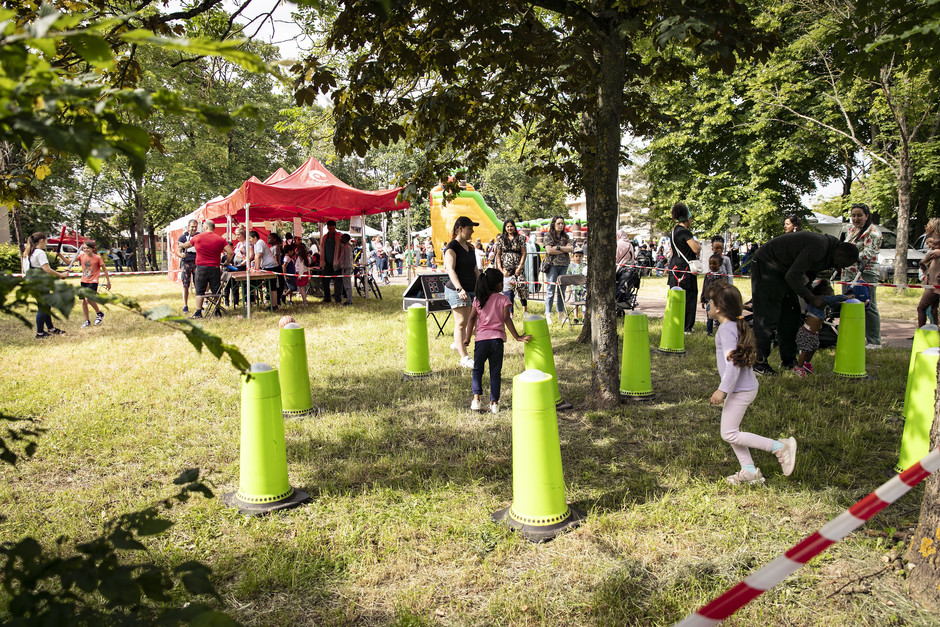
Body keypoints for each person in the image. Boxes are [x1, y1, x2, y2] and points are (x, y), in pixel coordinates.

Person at [708, 283, 797, 485]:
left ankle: (778, 447)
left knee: (729, 433)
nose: (708, 306)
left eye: (710, 303)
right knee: (733, 432)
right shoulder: (732, 326)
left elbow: (733, 364)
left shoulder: (726, 329)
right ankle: (749, 471)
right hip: (742, 388)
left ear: (719, 308)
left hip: (740, 390)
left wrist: (722, 390)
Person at [750, 231, 859, 375]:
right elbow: (793, 276)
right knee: (767, 316)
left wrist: (812, 295)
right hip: (768, 265)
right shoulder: (819, 248)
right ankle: (759, 363)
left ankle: (789, 360)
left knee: (791, 315)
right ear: (839, 255)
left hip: (784, 271)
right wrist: (813, 299)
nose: (839, 268)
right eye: (842, 264)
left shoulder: (830, 249)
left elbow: (805, 274)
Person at [464, 268, 532, 413]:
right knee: (495, 372)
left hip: (481, 340)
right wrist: (517, 336)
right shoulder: (503, 299)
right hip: (497, 341)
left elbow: (471, 319)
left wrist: (467, 337)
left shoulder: (478, 299)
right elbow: (506, 319)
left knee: (477, 370)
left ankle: (476, 400)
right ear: (498, 284)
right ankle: (494, 403)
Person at [840, 203, 882, 349]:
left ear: (867, 216)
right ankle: (852, 337)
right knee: (848, 304)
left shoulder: (873, 232)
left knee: (868, 306)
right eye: (853, 215)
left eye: (859, 215)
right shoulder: (851, 229)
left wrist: (849, 258)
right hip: (848, 272)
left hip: (866, 273)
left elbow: (868, 253)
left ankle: (874, 341)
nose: (856, 218)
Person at [444, 216, 480, 368]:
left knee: (474, 324)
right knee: (461, 324)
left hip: (472, 289)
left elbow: (475, 269)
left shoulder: (471, 248)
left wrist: (481, 286)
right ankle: (464, 357)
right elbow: (450, 270)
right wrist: (459, 288)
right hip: (456, 290)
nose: (472, 231)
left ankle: (457, 343)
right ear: (460, 229)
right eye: (469, 228)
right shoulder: (452, 247)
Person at [180, 221, 232, 319]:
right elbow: (230, 252)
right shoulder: (220, 239)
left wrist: (181, 245)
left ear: (206, 227)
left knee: (199, 290)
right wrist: (227, 262)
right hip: (215, 268)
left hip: (201, 267)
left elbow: (186, 245)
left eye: (204, 227)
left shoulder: (198, 237)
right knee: (216, 290)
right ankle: (217, 310)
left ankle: (198, 312)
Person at [794, 280, 847, 377]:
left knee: (813, 348)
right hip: (806, 332)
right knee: (804, 351)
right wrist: (845, 297)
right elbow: (831, 299)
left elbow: (833, 303)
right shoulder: (818, 301)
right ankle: (799, 367)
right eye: (831, 295)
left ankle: (807, 363)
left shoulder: (822, 306)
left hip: (813, 333)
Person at [22, 232, 68, 339]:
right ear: (41, 240)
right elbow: (46, 269)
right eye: (46, 241)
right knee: (43, 307)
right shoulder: (39, 253)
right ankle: (40, 333)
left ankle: (51, 328)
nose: (46, 243)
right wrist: (61, 274)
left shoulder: (28, 252)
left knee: (46, 306)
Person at [666, 202, 702, 332]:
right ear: (688, 218)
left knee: (676, 297)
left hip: (675, 268)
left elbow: (672, 251)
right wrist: (698, 244)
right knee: (689, 298)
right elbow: (695, 248)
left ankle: (676, 323)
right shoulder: (685, 232)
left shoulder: (674, 231)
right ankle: (687, 326)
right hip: (686, 270)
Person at [71, 240, 111, 328]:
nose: (85, 250)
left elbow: (104, 269)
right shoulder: (81, 256)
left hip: (93, 281)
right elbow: (68, 263)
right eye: (84, 248)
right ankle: (86, 321)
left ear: (93, 249)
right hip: (84, 280)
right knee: (83, 301)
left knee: (89, 299)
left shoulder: (97, 258)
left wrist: (108, 281)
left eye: (88, 248)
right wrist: (60, 255)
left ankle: (99, 313)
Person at [543, 215, 574, 324]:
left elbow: (571, 248)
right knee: (550, 290)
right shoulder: (548, 236)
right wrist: (564, 250)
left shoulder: (566, 237)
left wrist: (558, 248)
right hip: (552, 265)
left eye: (562, 223)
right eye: (558, 223)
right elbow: (549, 251)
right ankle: (548, 314)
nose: (561, 225)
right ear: (553, 224)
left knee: (562, 291)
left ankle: (561, 314)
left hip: (564, 265)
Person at [495, 220, 530, 317]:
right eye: (507, 226)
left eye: (511, 226)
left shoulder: (521, 238)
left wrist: (520, 266)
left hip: (518, 266)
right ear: (505, 228)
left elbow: (524, 253)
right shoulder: (501, 239)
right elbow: (498, 254)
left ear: (514, 227)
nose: (509, 228)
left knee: (521, 287)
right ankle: (510, 313)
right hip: (506, 267)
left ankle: (525, 311)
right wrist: (500, 268)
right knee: (508, 290)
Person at [248, 230, 280, 309]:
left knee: (272, 286)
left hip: (271, 266)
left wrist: (257, 269)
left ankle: (274, 305)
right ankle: (273, 304)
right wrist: (255, 268)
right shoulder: (256, 244)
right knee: (270, 287)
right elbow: (256, 258)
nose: (249, 240)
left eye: (250, 238)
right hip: (267, 266)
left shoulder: (260, 243)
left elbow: (258, 256)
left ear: (255, 237)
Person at [319, 220, 344, 304]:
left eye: (333, 228)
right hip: (326, 263)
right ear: (327, 228)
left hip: (337, 263)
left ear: (335, 227)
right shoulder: (324, 237)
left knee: (338, 282)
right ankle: (327, 298)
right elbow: (322, 250)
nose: (331, 229)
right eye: (330, 228)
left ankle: (337, 299)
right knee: (325, 281)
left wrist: (341, 261)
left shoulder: (339, 236)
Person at [917, 236, 940, 327]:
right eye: (932, 244)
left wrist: (923, 267)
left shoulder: (934, 253)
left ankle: (921, 330)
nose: (933, 246)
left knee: (921, 308)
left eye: (936, 244)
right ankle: (936, 330)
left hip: (933, 285)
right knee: (934, 309)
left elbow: (922, 262)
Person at [177, 219, 198, 313]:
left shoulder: (199, 236)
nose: (193, 228)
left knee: (198, 284)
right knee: (185, 284)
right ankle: (185, 305)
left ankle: (199, 305)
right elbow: (178, 250)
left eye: (195, 226)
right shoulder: (182, 237)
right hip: (186, 262)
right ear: (188, 227)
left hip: (197, 261)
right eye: (192, 226)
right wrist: (181, 255)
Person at [701, 254, 724, 337]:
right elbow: (704, 287)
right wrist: (702, 299)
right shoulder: (707, 275)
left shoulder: (721, 276)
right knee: (709, 316)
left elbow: (723, 287)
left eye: (714, 264)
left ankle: (720, 332)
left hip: (718, 299)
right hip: (708, 299)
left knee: (719, 316)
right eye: (710, 264)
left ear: (720, 264)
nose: (712, 266)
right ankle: (709, 332)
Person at [337, 233, 354, 306]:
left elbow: (347, 258)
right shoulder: (346, 246)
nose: (341, 239)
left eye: (342, 238)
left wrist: (344, 267)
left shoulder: (347, 247)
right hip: (346, 267)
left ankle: (349, 300)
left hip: (346, 267)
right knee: (346, 284)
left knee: (347, 285)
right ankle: (348, 299)